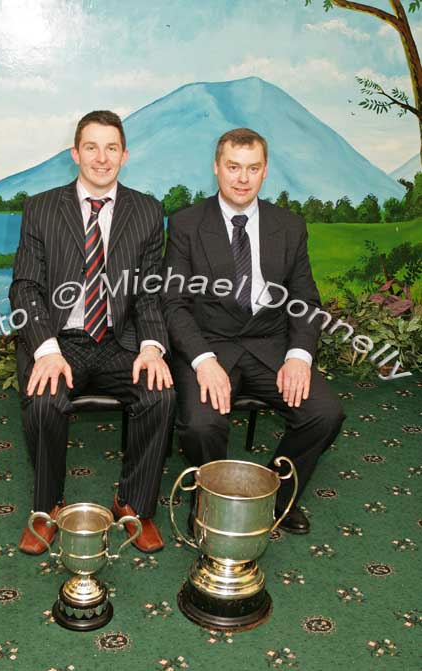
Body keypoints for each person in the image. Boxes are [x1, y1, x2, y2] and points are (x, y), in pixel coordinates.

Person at [162, 128, 344, 534]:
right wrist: (202, 361)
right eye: (233, 167)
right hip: (210, 347)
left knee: (324, 413)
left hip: (271, 346)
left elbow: (305, 300)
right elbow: (173, 304)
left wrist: (299, 356)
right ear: (216, 169)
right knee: (200, 424)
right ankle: (209, 504)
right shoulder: (187, 224)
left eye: (252, 168)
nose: (242, 178)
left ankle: (276, 498)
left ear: (265, 173)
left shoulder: (290, 226)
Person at [10, 110, 175, 555]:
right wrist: (45, 349)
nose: (101, 158)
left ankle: (135, 506)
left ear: (125, 155)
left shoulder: (146, 211)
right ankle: (47, 508)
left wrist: (152, 347)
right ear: (74, 153)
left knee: (160, 394)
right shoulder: (42, 207)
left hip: (119, 341)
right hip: (60, 342)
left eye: (111, 148)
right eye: (91, 147)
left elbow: (150, 291)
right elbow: (26, 287)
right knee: (45, 400)